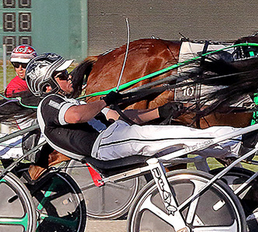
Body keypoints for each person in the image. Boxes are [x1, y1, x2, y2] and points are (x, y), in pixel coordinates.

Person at [27, 53, 245, 162]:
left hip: (119, 135)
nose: (70, 77)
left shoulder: (74, 103)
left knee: (189, 141)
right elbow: (75, 117)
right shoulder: (50, 103)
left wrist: (161, 111)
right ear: (47, 86)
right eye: (62, 76)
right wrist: (105, 100)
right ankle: (243, 140)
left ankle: (241, 145)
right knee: (182, 136)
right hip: (107, 144)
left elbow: (120, 116)